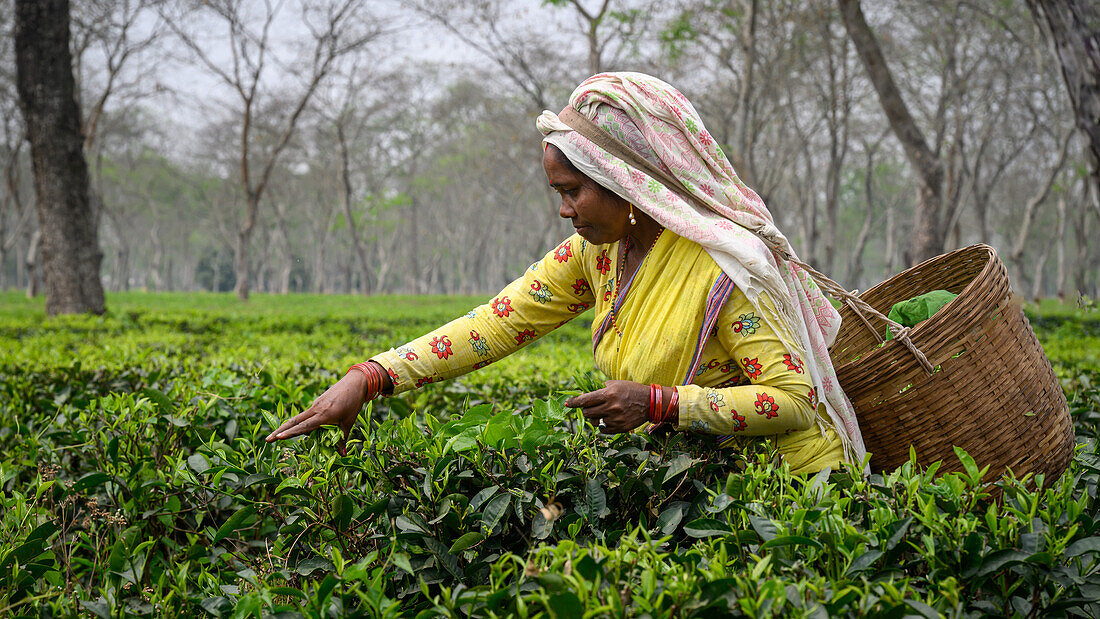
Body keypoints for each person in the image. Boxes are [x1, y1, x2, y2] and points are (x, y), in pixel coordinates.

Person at [267, 72, 866, 474]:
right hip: (704, 480)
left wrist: (661, 404)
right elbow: (493, 327)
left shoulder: (721, 268)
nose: (564, 209)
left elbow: (793, 402)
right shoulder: (598, 252)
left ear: (625, 182)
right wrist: (370, 379)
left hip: (795, 492)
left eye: (573, 191)